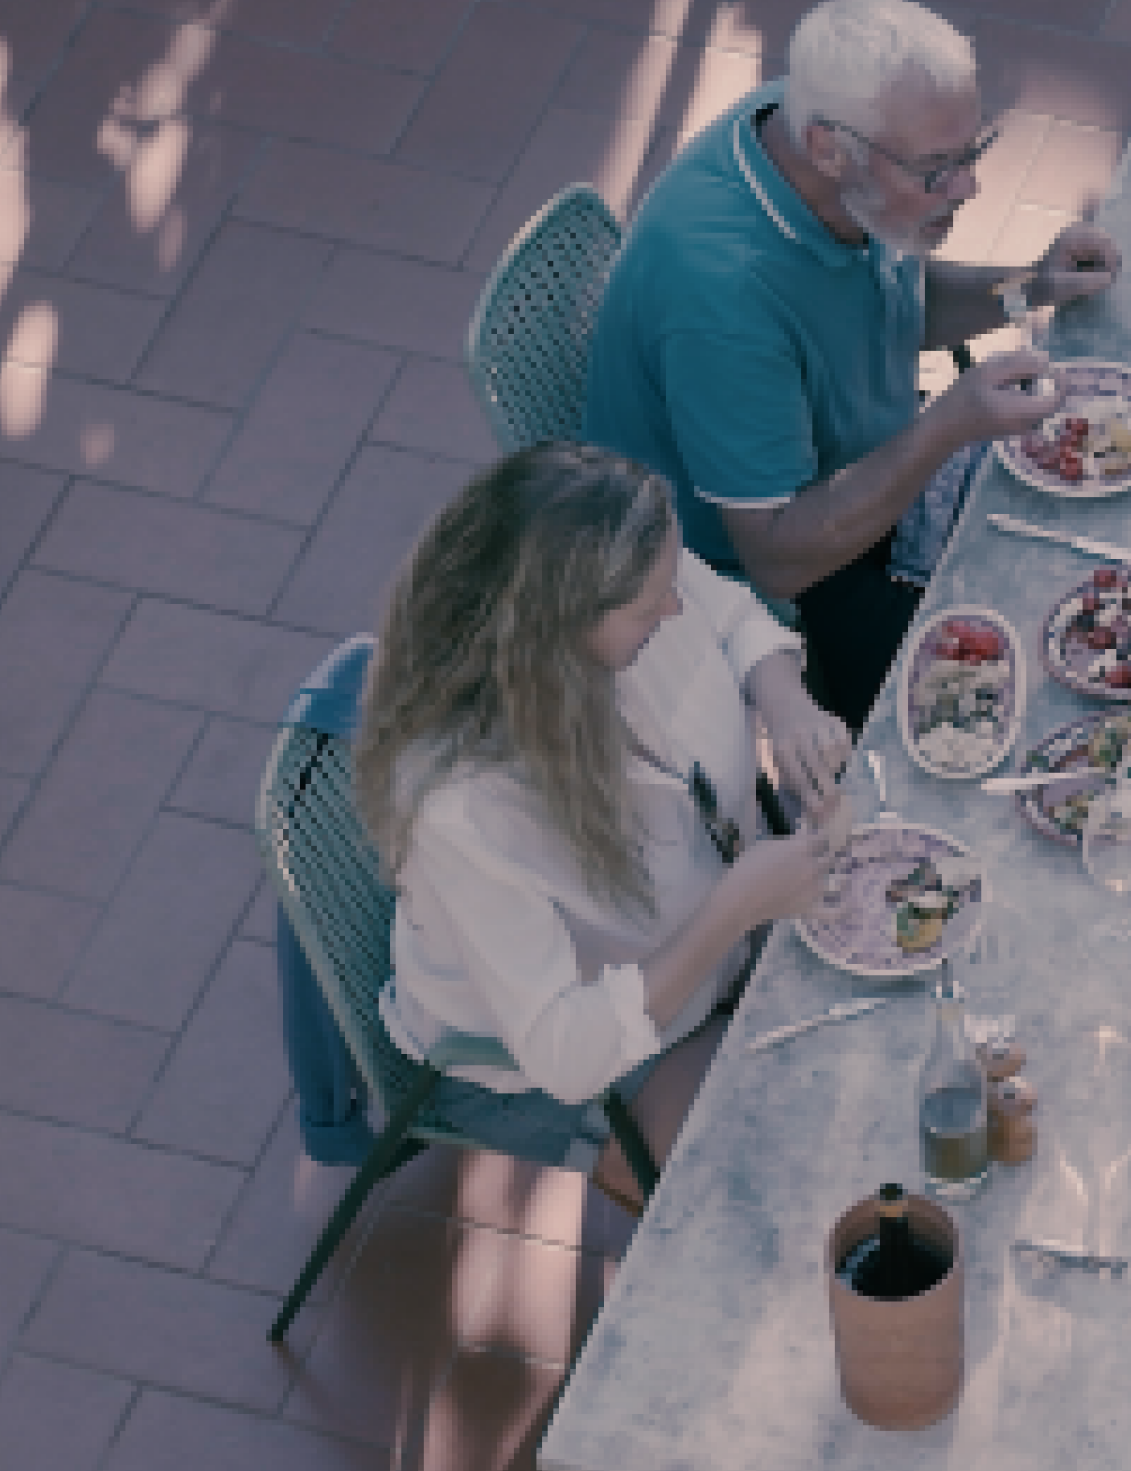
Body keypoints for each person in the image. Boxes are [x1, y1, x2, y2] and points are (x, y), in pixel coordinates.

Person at [581, 0, 1121, 723]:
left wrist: (1028, 286)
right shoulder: (723, 300)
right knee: (1033, 695)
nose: (969, 187)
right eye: (937, 170)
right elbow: (775, 553)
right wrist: (942, 430)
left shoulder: (811, 130)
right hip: (782, 568)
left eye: (973, 150)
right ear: (830, 150)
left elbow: (887, 305)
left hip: (866, 467)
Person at [353, 444, 855, 1211]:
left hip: (732, 939)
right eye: (651, 606)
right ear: (554, 640)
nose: (675, 607)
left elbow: (728, 613)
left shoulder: (634, 579)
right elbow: (566, 1051)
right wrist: (734, 912)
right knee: (793, 1186)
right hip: (577, 1059)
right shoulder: (463, 809)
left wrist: (785, 701)